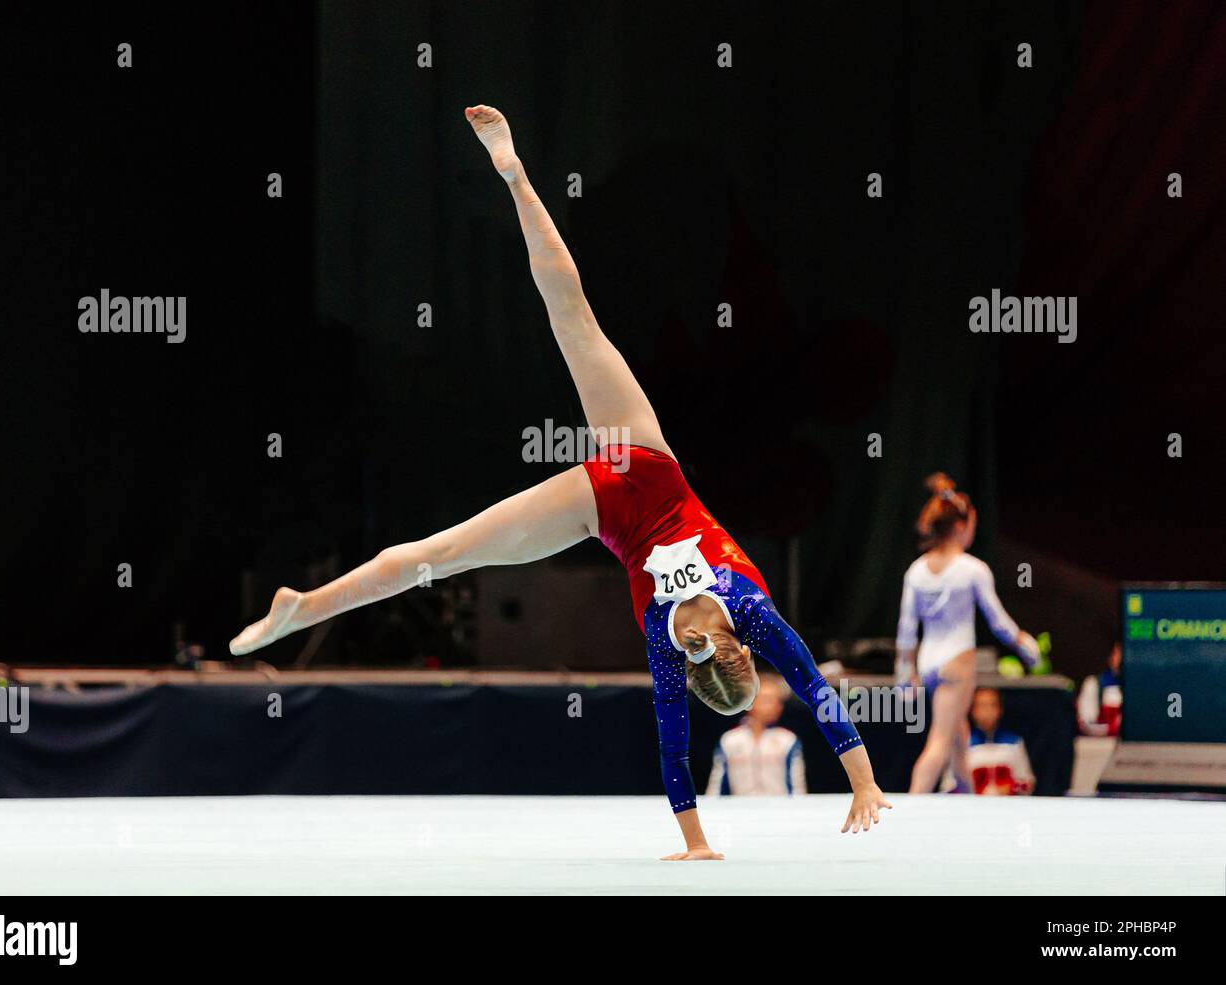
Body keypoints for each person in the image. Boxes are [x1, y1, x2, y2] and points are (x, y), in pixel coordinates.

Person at [231, 105, 891, 859]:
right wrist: (703, 839)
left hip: (634, 472)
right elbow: (683, 748)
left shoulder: (748, 613)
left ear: (740, 653)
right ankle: (305, 608)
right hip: (606, 500)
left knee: (571, 320)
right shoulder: (679, 647)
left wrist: (862, 781)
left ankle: (515, 173)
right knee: (439, 554)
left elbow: (810, 688)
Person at [896, 473, 1039, 794]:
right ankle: (911, 808)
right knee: (939, 743)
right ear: (960, 527)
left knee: (958, 735)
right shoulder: (973, 568)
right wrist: (1023, 644)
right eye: (973, 524)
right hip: (958, 661)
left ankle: (969, 797)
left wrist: (905, 671)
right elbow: (998, 621)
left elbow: (906, 630)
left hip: (930, 660)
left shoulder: (916, 570)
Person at [706, 676, 806, 797]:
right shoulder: (730, 740)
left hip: (780, 810)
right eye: (766, 700)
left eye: (777, 701)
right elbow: (716, 785)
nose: (774, 706)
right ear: (750, 702)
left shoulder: (787, 740)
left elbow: (797, 785)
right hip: (739, 810)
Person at [941, 687, 1035, 795]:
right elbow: (948, 787)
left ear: (1000, 710)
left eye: (992, 705)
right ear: (973, 710)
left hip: (1007, 807)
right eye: (982, 706)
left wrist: (1007, 788)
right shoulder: (962, 743)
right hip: (971, 807)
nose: (987, 711)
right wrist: (976, 790)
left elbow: (1027, 783)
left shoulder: (1014, 742)